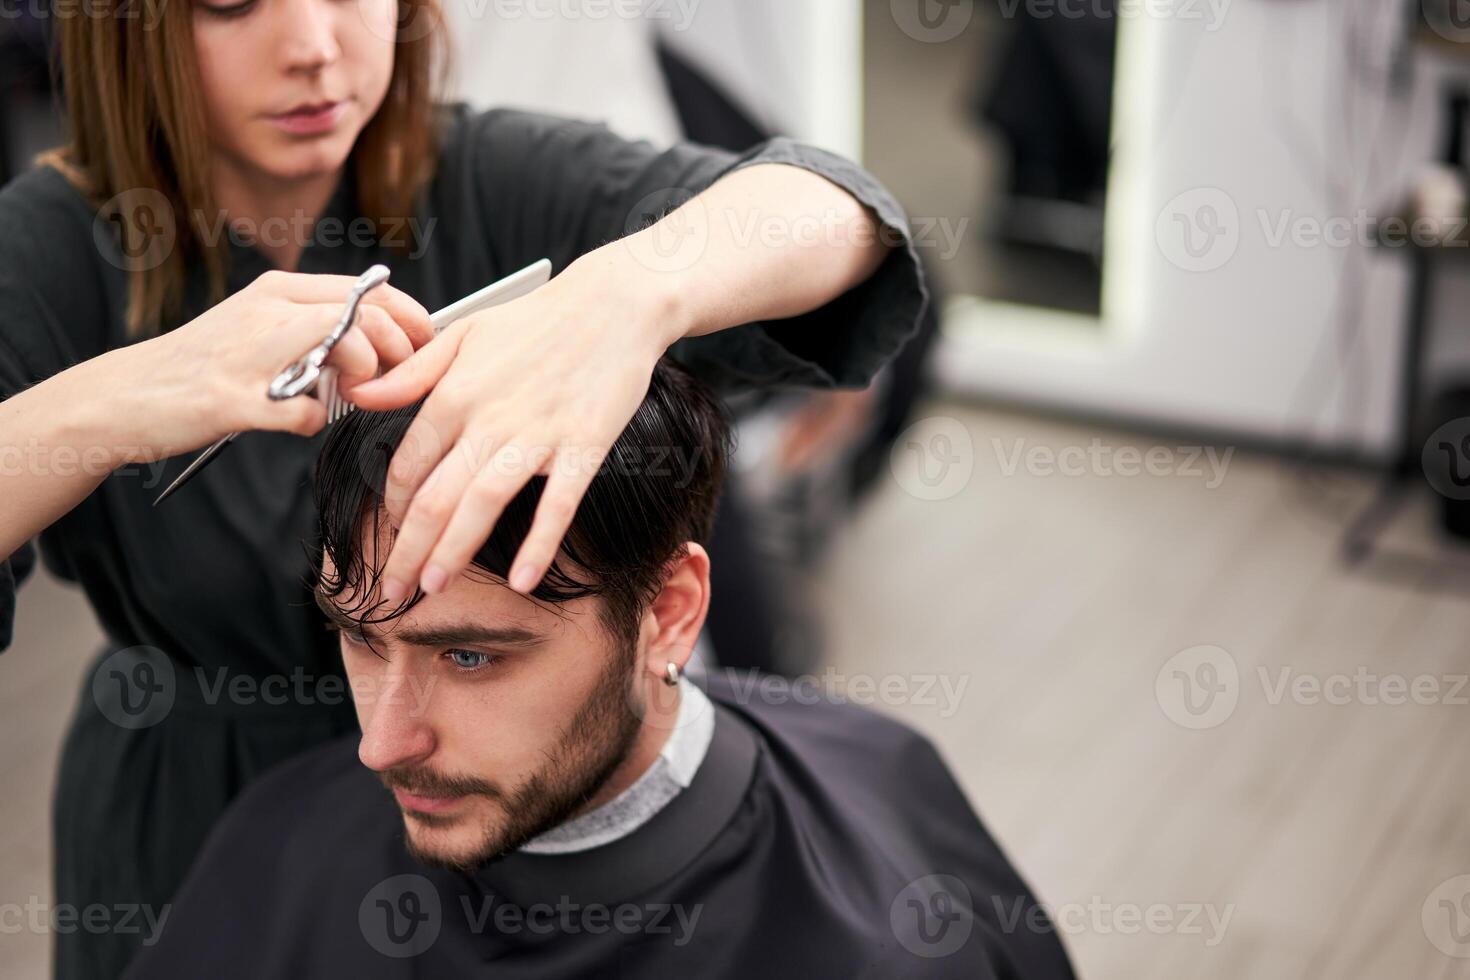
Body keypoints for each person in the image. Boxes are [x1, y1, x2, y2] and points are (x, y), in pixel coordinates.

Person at [0, 1, 927, 977]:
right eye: (233, 4)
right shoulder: (52, 254)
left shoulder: (482, 177)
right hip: (195, 822)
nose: (314, 47)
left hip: (518, 830)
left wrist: (629, 294)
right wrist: (114, 401)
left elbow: (838, 212)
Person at [120, 358, 1075, 979]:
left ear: (668, 614)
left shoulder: (884, 925)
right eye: (364, 640)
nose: (382, 742)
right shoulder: (283, 845)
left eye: (468, 655)